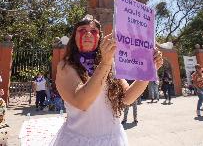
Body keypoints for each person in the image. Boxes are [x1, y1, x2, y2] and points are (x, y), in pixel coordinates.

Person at [49, 15, 163, 146]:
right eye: (82, 30)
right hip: (79, 140)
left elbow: (127, 98)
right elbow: (82, 102)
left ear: (99, 38)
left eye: (93, 31)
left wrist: (148, 72)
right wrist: (105, 62)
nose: (88, 34)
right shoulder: (65, 66)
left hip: (113, 139)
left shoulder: (110, 63)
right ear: (74, 36)